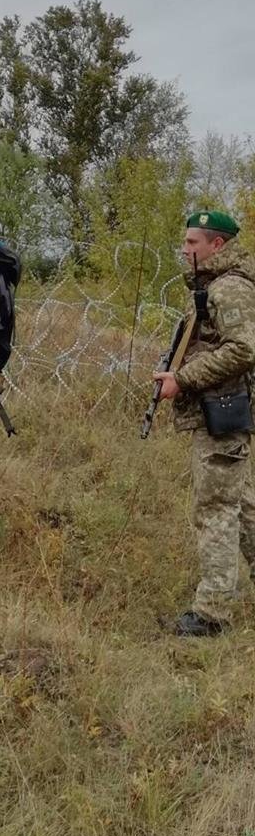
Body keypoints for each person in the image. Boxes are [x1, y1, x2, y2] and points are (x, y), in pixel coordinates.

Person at [154, 211, 255, 636]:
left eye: (193, 243)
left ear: (218, 245)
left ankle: (213, 614)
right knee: (244, 505)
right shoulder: (212, 285)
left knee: (216, 509)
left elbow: (244, 349)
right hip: (221, 409)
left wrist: (184, 378)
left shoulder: (229, 287)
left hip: (224, 411)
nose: (185, 249)